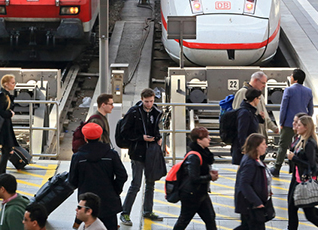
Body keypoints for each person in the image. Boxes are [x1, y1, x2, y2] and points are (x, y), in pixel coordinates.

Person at [69, 123, 127, 230]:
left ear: (85, 138)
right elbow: (122, 175)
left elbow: (72, 180)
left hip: (87, 204)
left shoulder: (78, 157)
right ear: (100, 137)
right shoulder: (111, 154)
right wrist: (115, 190)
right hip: (108, 202)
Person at [120, 88, 163, 225]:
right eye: (146, 102)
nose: (149, 104)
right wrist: (141, 138)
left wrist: (158, 138)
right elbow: (125, 132)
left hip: (151, 151)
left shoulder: (156, 112)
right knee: (136, 184)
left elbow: (156, 129)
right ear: (142, 99)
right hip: (138, 152)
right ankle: (125, 213)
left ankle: (147, 210)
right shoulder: (134, 112)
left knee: (151, 183)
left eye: (151, 101)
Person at [172, 127, 218, 230]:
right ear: (199, 140)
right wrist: (210, 177)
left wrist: (209, 173)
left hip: (201, 193)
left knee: (210, 218)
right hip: (191, 195)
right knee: (184, 220)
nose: (209, 139)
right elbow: (194, 178)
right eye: (206, 137)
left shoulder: (204, 153)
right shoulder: (194, 156)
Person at [273, 68, 314, 177]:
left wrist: (281, 122)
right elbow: (311, 109)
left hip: (288, 123)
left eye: (291, 76)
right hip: (303, 124)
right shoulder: (308, 91)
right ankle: (295, 167)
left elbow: (283, 108)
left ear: (294, 79)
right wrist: (307, 121)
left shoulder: (289, 90)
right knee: (300, 145)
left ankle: (277, 167)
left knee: (283, 145)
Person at [234, 133, 272, 230]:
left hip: (255, 203)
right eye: (263, 144)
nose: (266, 146)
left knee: (246, 227)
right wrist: (257, 202)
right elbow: (245, 184)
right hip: (251, 205)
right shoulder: (250, 163)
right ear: (256, 146)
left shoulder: (256, 160)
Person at [286, 114, 318, 229]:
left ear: (306, 127)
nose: (296, 126)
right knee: (292, 206)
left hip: (304, 180)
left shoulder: (310, 143)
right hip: (297, 177)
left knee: (309, 213)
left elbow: (312, 165)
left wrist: (294, 158)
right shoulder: (299, 139)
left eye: (299, 125)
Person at [232, 71, 278, 138]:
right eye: (263, 83)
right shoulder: (242, 92)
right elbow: (238, 115)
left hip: (259, 136)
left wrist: (274, 128)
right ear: (256, 80)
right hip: (249, 137)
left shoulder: (260, 95)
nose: (264, 86)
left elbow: (265, 115)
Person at [0, 75, 18, 180]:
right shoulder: (2, 95)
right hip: (3, 128)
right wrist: (9, 114)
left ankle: (0, 173)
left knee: (7, 150)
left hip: (5, 126)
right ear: (6, 84)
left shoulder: (5, 94)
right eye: (12, 83)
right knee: (7, 150)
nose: (14, 85)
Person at [232, 86, 265, 165]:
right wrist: (244, 148)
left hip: (249, 149)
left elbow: (252, 122)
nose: (259, 101)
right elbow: (242, 131)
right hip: (245, 150)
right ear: (255, 99)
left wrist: (260, 118)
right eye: (259, 98)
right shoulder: (245, 112)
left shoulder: (250, 111)